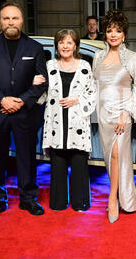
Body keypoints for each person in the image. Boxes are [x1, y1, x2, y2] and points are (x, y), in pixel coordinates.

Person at [0, 0, 48, 221]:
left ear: (22, 20)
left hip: (24, 113)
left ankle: (28, 198)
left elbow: (42, 82)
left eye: (14, 18)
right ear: (0, 21)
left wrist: (21, 101)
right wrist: (2, 100)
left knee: (26, 157)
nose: (10, 22)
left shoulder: (34, 48)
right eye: (6, 18)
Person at [33, 29, 96, 211]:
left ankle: (80, 202)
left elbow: (92, 93)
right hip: (55, 123)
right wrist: (35, 83)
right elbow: (42, 95)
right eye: (61, 43)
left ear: (75, 45)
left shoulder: (85, 65)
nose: (65, 46)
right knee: (58, 165)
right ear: (57, 45)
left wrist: (77, 99)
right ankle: (59, 202)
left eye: (69, 42)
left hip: (77, 123)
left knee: (79, 164)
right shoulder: (50, 65)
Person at [92, 9, 136, 223]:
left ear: (124, 35)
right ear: (105, 33)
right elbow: (93, 86)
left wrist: (128, 113)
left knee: (116, 155)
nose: (113, 34)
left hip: (123, 113)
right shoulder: (98, 56)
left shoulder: (132, 57)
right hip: (104, 115)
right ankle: (128, 200)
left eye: (118, 30)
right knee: (112, 159)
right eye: (110, 30)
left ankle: (112, 199)